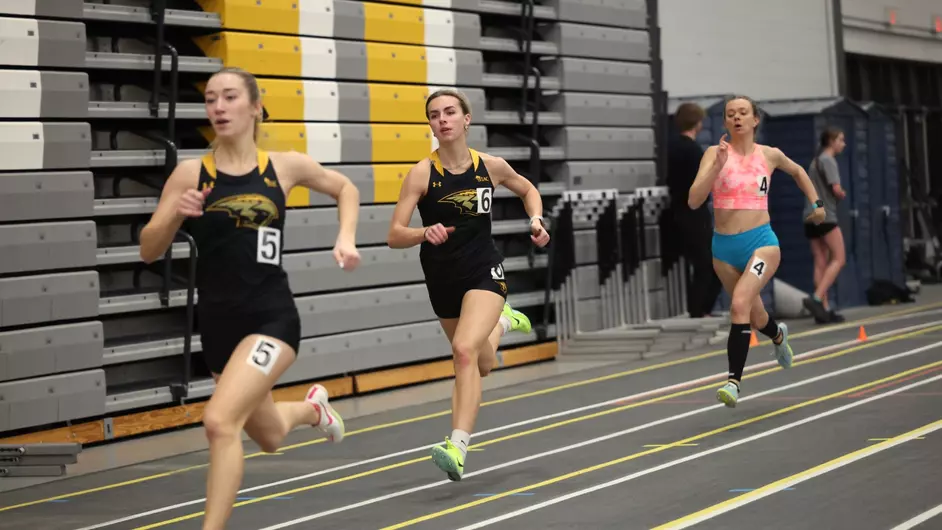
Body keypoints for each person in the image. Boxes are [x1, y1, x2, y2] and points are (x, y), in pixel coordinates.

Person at [139, 66, 358, 529]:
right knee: (271, 434)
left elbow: (345, 187)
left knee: (220, 422)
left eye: (230, 97)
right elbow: (148, 250)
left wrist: (346, 237)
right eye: (211, 99)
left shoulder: (283, 167)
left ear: (255, 107)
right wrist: (174, 217)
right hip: (218, 327)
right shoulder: (190, 174)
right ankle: (313, 409)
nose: (219, 106)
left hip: (272, 320)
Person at [387, 88, 550, 481]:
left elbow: (527, 189)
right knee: (482, 363)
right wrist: (424, 233)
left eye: (448, 112)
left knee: (462, 350)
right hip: (442, 280)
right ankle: (504, 324)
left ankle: (456, 446)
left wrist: (536, 220)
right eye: (433, 115)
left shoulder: (490, 166)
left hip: (483, 273)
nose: (441, 120)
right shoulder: (422, 173)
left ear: (466, 120)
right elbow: (394, 234)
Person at [687, 95, 826, 408]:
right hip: (723, 248)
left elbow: (800, 172)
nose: (736, 118)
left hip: (761, 242)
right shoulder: (713, 153)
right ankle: (778, 335)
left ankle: (733, 383)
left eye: (743, 113)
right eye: (730, 114)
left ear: (754, 120)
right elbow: (694, 200)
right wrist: (717, 168)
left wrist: (816, 204)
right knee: (754, 314)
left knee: (738, 304)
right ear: (725, 123)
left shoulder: (770, 155)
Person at [667, 102, 723, 318]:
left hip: (676, 212)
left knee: (698, 264)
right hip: (694, 213)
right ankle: (700, 310)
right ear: (697, 123)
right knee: (709, 264)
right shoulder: (693, 150)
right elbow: (700, 185)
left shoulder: (671, 147)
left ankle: (697, 309)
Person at [802, 127, 848, 324]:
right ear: (831, 141)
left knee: (820, 260)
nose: (843, 144)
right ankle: (817, 298)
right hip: (826, 216)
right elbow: (836, 189)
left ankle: (824, 311)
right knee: (839, 258)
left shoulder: (814, 162)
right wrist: (841, 194)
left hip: (809, 215)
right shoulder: (829, 161)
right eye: (841, 140)